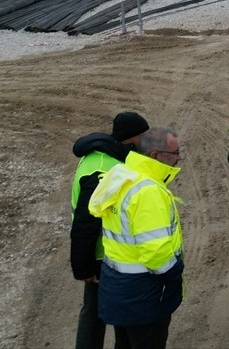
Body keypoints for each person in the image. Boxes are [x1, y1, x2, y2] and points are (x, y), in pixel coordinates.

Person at [89, 126, 184, 349]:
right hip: (144, 296)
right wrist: (176, 271)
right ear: (155, 156)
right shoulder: (148, 192)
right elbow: (157, 257)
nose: (180, 159)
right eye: (175, 153)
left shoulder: (122, 175)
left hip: (118, 288)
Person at [69, 111, 150, 349]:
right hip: (101, 258)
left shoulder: (100, 156)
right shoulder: (105, 171)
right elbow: (85, 223)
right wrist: (84, 268)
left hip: (103, 255)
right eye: (142, 137)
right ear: (131, 139)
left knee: (96, 312)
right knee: (102, 314)